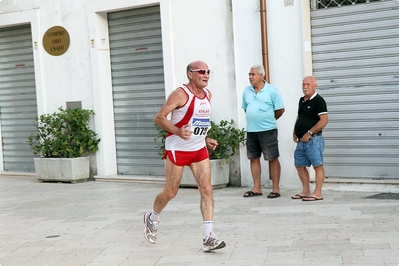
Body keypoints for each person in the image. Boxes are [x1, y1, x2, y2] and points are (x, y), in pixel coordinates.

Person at [143, 60, 226, 252]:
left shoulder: (208, 96)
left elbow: (197, 122)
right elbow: (159, 117)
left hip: (198, 150)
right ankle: (152, 217)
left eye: (208, 72)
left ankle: (208, 236)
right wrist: (177, 131)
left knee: (206, 190)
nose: (206, 75)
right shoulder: (180, 94)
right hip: (178, 149)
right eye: (201, 71)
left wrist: (205, 138)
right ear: (190, 74)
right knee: (171, 192)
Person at [242, 65, 285, 198]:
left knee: (272, 158)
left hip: (268, 130)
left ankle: (276, 189)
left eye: (253, 74)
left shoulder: (272, 91)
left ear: (261, 76)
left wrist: (268, 120)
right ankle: (256, 188)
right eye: (249, 74)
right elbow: (246, 109)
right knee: (253, 158)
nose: (250, 77)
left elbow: (280, 110)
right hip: (251, 130)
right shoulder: (246, 91)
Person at [292, 76, 328, 201]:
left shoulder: (319, 101)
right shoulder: (302, 100)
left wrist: (309, 133)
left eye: (308, 84)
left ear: (314, 86)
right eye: (303, 84)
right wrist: (295, 131)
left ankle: (317, 193)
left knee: (317, 165)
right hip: (301, 141)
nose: (305, 87)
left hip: (314, 140)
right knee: (299, 165)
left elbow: (324, 121)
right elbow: (300, 116)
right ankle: (306, 191)